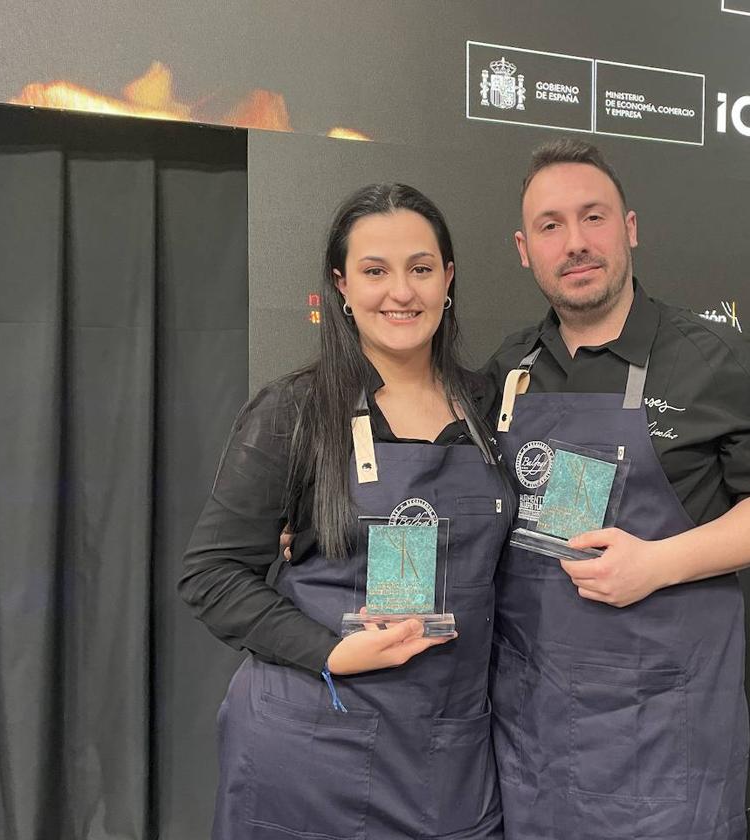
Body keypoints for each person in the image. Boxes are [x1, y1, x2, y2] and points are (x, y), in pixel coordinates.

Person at [485, 138, 750, 839]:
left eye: (594, 217)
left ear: (630, 228)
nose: (575, 243)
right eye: (551, 226)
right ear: (525, 249)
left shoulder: (719, 361)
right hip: (533, 730)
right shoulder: (507, 369)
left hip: (663, 734)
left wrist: (657, 563)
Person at [179, 184, 510, 840]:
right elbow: (212, 577)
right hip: (311, 750)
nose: (401, 292)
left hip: (452, 753)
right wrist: (333, 653)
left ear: (448, 278)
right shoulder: (294, 412)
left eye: (420, 269)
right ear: (341, 287)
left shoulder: (493, 407)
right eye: (374, 271)